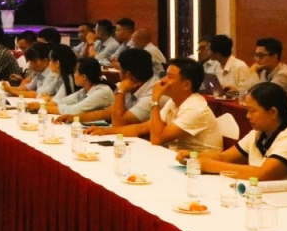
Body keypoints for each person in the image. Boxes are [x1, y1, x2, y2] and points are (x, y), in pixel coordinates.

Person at [182, 81, 287, 193]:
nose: (248, 116)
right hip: (267, 197)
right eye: (247, 111)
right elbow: (224, 157)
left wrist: (211, 166)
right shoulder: (257, 134)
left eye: (253, 111)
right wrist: (192, 157)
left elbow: (263, 175)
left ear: (273, 112)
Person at [84, 59, 221, 152]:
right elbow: (141, 128)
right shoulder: (174, 102)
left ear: (186, 85)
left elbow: (157, 139)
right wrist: (104, 131)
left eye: (169, 77)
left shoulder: (195, 108)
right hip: (177, 158)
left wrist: (155, 100)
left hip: (197, 168)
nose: (163, 80)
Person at [79, 47, 154, 127]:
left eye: (120, 69)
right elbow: (107, 113)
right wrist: (74, 118)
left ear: (128, 74)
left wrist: (121, 91)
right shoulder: (132, 85)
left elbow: (118, 124)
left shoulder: (151, 95)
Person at [49, 57, 115, 120]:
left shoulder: (102, 92)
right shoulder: (84, 90)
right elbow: (62, 102)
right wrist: (43, 106)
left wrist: (45, 109)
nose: (74, 74)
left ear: (83, 76)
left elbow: (75, 110)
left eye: (75, 71)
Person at [251, 38, 287, 110]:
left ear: (275, 56)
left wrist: (253, 73)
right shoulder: (264, 71)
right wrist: (236, 93)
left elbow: (264, 96)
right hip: (276, 110)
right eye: (256, 55)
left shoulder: (284, 74)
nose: (257, 59)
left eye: (261, 55)